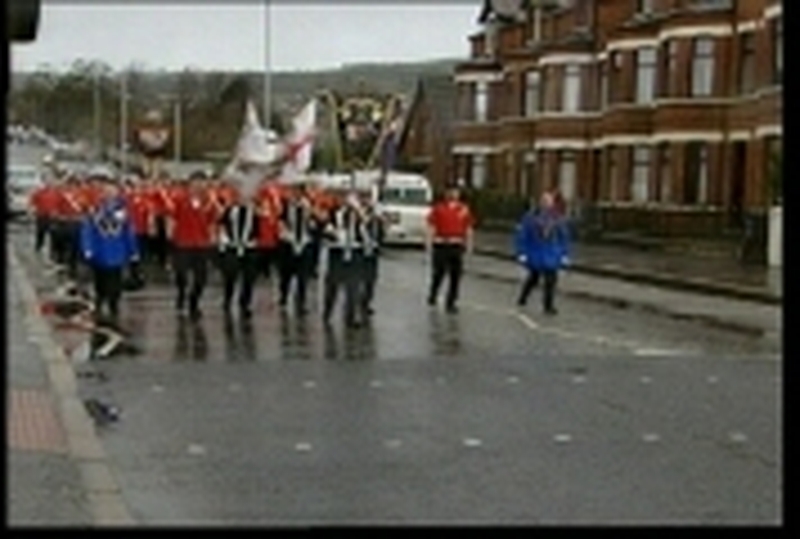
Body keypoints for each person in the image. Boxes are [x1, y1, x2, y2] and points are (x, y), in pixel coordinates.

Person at [79, 180, 139, 319]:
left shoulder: (123, 210)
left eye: (113, 191)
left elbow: (128, 231)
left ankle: (114, 303)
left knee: (116, 280)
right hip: (100, 250)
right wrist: (88, 248)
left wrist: (133, 250)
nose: (110, 193)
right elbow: (88, 230)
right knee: (101, 279)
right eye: (107, 191)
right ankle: (100, 300)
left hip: (117, 251)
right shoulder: (96, 209)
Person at [167, 176, 217, 320]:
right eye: (195, 184)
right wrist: (170, 237)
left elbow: (212, 221)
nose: (198, 187)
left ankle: (194, 302)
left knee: (201, 278)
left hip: (201, 244)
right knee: (181, 274)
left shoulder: (208, 201)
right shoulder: (180, 199)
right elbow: (172, 218)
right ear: (190, 185)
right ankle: (181, 293)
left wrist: (213, 239)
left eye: (201, 183)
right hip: (183, 243)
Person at [514, 191, 570, 315]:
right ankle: (523, 297)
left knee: (551, 280)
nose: (546, 204)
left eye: (548, 201)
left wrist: (564, 254)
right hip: (536, 253)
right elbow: (523, 235)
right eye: (544, 201)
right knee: (533, 278)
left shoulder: (557, 218)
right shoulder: (530, 217)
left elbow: (564, 237)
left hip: (551, 254)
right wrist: (522, 252)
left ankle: (548, 305)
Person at [425, 184, 474, 313]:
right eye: (451, 192)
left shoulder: (464, 210)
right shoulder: (438, 208)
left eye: (456, 192)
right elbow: (431, 226)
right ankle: (433, 293)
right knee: (439, 273)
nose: (453, 195)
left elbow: (468, 228)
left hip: (456, 244)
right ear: (446, 194)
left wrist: (469, 245)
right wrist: (429, 243)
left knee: (456, 276)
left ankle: (451, 302)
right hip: (441, 244)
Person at [322, 191, 366, 328]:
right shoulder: (333, 212)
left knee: (353, 287)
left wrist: (358, 210)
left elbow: (367, 225)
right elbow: (325, 227)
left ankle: (351, 317)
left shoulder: (359, 213)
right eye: (341, 197)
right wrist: (332, 232)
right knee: (332, 286)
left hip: (355, 251)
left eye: (347, 197)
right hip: (337, 251)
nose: (344, 200)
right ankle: (327, 313)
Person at [217, 187, 260, 319]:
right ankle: (227, 298)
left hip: (249, 246)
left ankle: (245, 302)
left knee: (249, 277)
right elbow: (222, 224)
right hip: (232, 245)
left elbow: (257, 227)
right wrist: (223, 240)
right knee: (230, 274)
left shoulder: (254, 211)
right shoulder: (230, 210)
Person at [277, 182, 318, 315]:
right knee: (286, 274)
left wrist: (313, 217)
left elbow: (317, 222)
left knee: (303, 276)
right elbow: (280, 220)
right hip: (289, 242)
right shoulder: (286, 204)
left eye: (299, 191)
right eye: (294, 191)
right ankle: (283, 297)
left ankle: (301, 302)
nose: (296, 194)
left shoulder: (309, 205)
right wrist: (284, 231)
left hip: (305, 242)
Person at [358, 192, 385, 316]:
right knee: (358, 278)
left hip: (373, 249)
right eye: (364, 197)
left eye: (368, 198)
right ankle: (356, 302)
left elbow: (381, 231)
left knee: (371, 279)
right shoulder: (356, 212)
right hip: (358, 249)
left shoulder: (376, 214)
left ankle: (366, 302)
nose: (366, 200)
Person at [254, 177, 283, 283]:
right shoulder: (260, 192)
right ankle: (261, 268)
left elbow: (280, 208)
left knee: (271, 246)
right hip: (263, 222)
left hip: (272, 222)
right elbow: (256, 206)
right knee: (262, 246)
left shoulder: (277, 191)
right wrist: (262, 211)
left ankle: (267, 268)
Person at [29, 178, 61, 259]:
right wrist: (33, 210)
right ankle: (38, 247)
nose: (49, 184)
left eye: (51, 182)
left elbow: (61, 203)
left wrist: (57, 212)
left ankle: (53, 252)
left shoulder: (57, 193)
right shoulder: (39, 192)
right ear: (44, 183)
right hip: (41, 216)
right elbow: (32, 202)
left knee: (54, 235)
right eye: (47, 182)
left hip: (53, 217)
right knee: (40, 233)